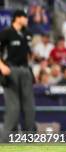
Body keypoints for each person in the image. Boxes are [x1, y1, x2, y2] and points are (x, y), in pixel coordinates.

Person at [0, 10, 36, 141]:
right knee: (13, 108)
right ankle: (6, 140)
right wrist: (2, 66)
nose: (27, 19)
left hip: (25, 70)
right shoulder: (6, 33)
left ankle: (30, 139)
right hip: (11, 70)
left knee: (29, 107)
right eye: (24, 17)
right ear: (17, 18)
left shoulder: (28, 34)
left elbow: (28, 52)